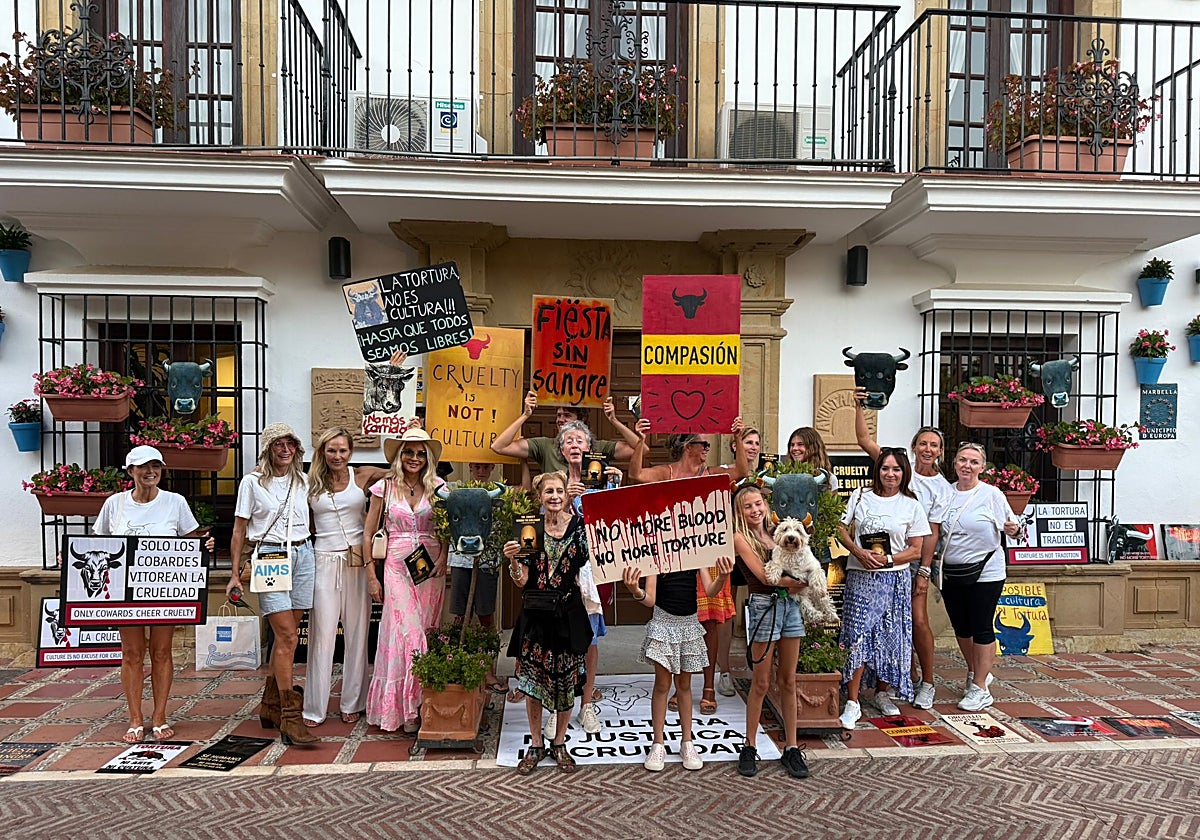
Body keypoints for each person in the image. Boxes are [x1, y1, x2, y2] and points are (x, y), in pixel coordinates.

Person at [94, 445, 215, 744]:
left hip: (165, 589)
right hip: (125, 591)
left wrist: (204, 546)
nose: (151, 472)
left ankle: (160, 716)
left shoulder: (175, 502)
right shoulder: (114, 504)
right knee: (132, 653)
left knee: (161, 652)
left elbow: (190, 540)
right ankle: (135, 717)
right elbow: (97, 544)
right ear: (130, 471)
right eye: (143, 467)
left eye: (156, 467)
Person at [630, 418, 747, 713]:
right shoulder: (665, 472)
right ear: (686, 445)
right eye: (703, 443)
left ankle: (707, 687)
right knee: (677, 619)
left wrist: (737, 435)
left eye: (708, 444)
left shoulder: (712, 473)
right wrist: (641, 439)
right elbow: (635, 474)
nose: (707, 448)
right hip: (673, 556)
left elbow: (743, 471)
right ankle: (679, 685)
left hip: (706, 553)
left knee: (707, 623)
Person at [855, 394, 951, 709]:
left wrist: (924, 570)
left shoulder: (942, 487)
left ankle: (927, 682)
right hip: (876, 559)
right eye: (923, 443)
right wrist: (860, 406)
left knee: (917, 621)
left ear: (940, 451)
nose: (928, 449)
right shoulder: (894, 465)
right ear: (914, 446)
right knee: (889, 624)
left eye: (934, 445)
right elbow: (864, 438)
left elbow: (932, 534)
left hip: (913, 560)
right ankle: (900, 678)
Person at [227, 423, 316, 745]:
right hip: (270, 557)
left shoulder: (303, 480)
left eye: (290, 444)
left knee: (286, 638)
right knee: (288, 636)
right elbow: (239, 530)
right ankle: (291, 717)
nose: (285, 449)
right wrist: (235, 573)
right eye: (278, 444)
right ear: (267, 448)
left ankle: (270, 705)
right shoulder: (252, 483)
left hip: (305, 553)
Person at [503, 471, 592, 775]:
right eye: (548, 492)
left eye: (559, 491)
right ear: (539, 498)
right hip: (536, 619)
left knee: (566, 685)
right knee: (533, 685)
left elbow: (596, 561)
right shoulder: (530, 528)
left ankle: (559, 742)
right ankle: (537, 744)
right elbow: (522, 581)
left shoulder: (581, 528)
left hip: (567, 616)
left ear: (568, 495)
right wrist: (514, 562)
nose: (554, 496)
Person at [835, 447, 930, 729]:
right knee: (858, 635)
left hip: (895, 579)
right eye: (885, 468)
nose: (890, 474)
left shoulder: (911, 504)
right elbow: (839, 526)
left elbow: (916, 550)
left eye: (896, 469)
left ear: (904, 474)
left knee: (891, 636)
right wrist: (857, 552)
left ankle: (882, 692)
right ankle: (852, 701)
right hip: (861, 576)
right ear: (877, 471)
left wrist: (888, 559)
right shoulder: (861, 496)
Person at [362, 428, 448, 733]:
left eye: (421, 453)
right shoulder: (384, 488)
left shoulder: (438, 487)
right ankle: (407, 709)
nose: (414, 458)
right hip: (396, 566)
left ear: (428, 458)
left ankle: (424, 705)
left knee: (426, 629)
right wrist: (371, 575)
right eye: (409, 452)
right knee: (408, 635)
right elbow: (368, 532)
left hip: (430, 569)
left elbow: (446, 528)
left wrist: (444, 557)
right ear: (400, 456)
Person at [302, 427, 387, 728]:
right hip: (322, 559)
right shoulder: (309, 481)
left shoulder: (362, 476)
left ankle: (353, 702)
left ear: (351, 452)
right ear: (322, 451)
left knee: (357, 632)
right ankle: (315, 707)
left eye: (343, 450)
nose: (337, 456)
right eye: (331, 450)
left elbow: (398, 473)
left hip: (357, 561)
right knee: (322, 635)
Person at [622, 556, 734, 772]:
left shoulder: (694, 552)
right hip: (663, 623)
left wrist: (722, 576)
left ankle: (687, 742)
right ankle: (658, 743)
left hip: (689, 624)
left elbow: (710, 591)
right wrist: (636, 591)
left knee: (684, 685)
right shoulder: (656, 556)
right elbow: (651, 598)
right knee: (662, 685)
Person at [932, 442, 1021, 712]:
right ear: (954, 464)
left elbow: (1015, 527)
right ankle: (975, 671)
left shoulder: (991, 495)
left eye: (973, 462)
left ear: (982, 467)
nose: (967, 466)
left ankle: (980, 687)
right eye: (962, 460)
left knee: (981, 625)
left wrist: (1014, 529)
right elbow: (936, 531)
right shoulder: (944, 493)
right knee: (961, 626)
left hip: (987, 570)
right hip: (952, 570)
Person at [731, 484, 811, 780]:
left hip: (790, 606)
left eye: (757, 504)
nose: (755, 510)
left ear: (766, 505)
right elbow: (766, 577)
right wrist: (801, 582)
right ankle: (749, 745)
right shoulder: (741, 538)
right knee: (761, 682)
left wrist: (801, 581)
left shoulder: (779, 531)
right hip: (764, 604)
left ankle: (791, 747)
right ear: (740, 512)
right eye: (747, 507)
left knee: (788, 680)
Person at [448, 461, 507, 694]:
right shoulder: (455, 490)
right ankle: (456, 666)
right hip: (461, 562)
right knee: (459, 617)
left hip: (487, 562)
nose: (481, 471)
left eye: (486, 467)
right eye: (477, 467)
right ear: (470, 467)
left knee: (485, 617)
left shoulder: (499, 491)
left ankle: (488, 671)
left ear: (492, 468)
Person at [714, 425, 762, 699]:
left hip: (758, 548)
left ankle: (757, 664)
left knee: (759, 604)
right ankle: (724, 671)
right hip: (730, 548)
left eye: (756, 443)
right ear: (735, 446)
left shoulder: (768, 474)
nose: (752, 447)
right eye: (747, 442)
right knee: (726, 612)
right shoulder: (724, 472)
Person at [490, 391, 644, 474]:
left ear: (581, 419)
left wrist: (614, 420)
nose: (560, 420)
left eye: (567, 415)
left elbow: (641, 450)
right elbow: (499, 447)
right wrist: (525, 415)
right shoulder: (543, 445)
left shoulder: (598, 447)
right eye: (558, 415)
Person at [785, 426, 840, 492]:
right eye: (792, 445)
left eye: (800, 444)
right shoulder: (781, 476)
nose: (794, 448)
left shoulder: (830, 479)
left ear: (813, 448)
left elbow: (831, 501)